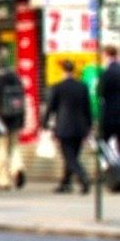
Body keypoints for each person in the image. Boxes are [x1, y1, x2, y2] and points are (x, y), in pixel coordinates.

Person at [43, 59, 92, 193]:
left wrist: (45, 124)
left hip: (64, 126)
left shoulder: (58, 87)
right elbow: (87, 108)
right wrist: (89, 126)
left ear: (63, 71)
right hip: (80, 127)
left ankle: (83, 177)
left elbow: (51, 107)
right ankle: (66, 183)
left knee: (69, 157)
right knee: (73, 155)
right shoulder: (82, 86)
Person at [0, 55, 27, 189]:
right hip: (15, 119)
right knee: (15, 147)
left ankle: (3, 180)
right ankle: (17, 168)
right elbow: (22, 101)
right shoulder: (16, 79)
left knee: (2, 148)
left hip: (1, 120)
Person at [100, 45, 120, 153]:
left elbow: (101, 93)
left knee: (104, 142)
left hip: (110, 115)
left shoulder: (106, 73)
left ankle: (110, 167)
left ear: (106, 55)